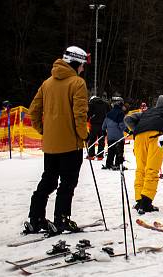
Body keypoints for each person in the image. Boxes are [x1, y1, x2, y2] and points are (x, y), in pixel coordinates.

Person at [25, 46, 89, 234]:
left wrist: (45, 130)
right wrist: (84, 135)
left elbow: (33, 111)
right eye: (82, 65)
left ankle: (35, 217)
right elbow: (80, 114)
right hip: (70, 144)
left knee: (48, 180)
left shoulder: (47, 83)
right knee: (67, 183)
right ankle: (61, 218)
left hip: (51, 145)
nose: (83, 69)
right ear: (75, 63)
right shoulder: (77, 83)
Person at [124, 94, 163, 213]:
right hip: (156, 136)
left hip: (139, 138)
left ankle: (139, 200)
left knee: (141, 169)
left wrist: (137, 129)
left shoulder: (148, 111)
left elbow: (128, 118)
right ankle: (146, 202)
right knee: (152, 169)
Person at [102, 96, 127, 170]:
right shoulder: (120, 113)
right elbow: (121, 125)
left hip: (110, 137)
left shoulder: (109, 113)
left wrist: (104, 131)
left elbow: (104, 124)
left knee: (111, 151)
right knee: (119, 151)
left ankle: (109, 164)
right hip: (118, 137)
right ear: (120, 105)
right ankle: (118, 164)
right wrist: (128, 130)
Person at [86, 95, 109, 160]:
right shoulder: (105, 103)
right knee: (101, 140)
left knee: (92, 140)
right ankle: (100, 156)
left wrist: (87, 120)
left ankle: (91, 155)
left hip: (94, 125)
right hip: (103, 124)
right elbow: (109, 113)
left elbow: (88, 113)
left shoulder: (91, 103)